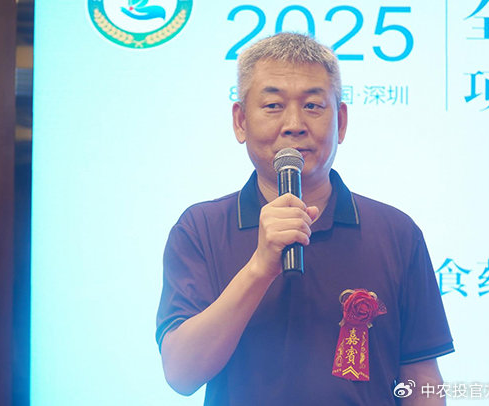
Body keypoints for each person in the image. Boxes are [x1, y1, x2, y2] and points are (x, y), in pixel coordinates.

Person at [156, 32, 454, 405]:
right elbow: (181, 374)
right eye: (273, 105)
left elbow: (421, 379)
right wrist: (259, 267)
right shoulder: (200, 228)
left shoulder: (396, 232)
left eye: (313, 106)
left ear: (341, 121)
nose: (294, 124)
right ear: (240, 121)